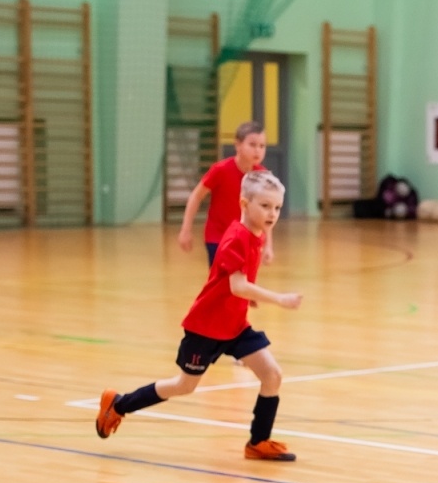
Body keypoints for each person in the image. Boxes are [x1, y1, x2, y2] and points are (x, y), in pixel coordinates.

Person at [96, 170, 303, 462]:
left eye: (277, 207)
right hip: (206, 328)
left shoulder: (255, 236)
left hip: (234, 326)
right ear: (245, 204)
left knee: (272, 374)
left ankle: (258, 442)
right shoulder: (237, 238)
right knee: (184, 386)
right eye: (265, 206)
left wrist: (246, 301)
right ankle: (118, 404)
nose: (272, 214)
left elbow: (233, 284)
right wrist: (278, 299)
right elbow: (238, 285)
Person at [176, 121, 271, 268]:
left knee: (243, 285)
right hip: (218, 238)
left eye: (262, 146)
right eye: (252, 145)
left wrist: (268, 244)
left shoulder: (263, 176)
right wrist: (186, 230)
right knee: (221, 285)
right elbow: (196, 196)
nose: (257, 151)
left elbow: (267, 213)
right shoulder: (221, 170)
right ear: (237, 145)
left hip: (247, 239)